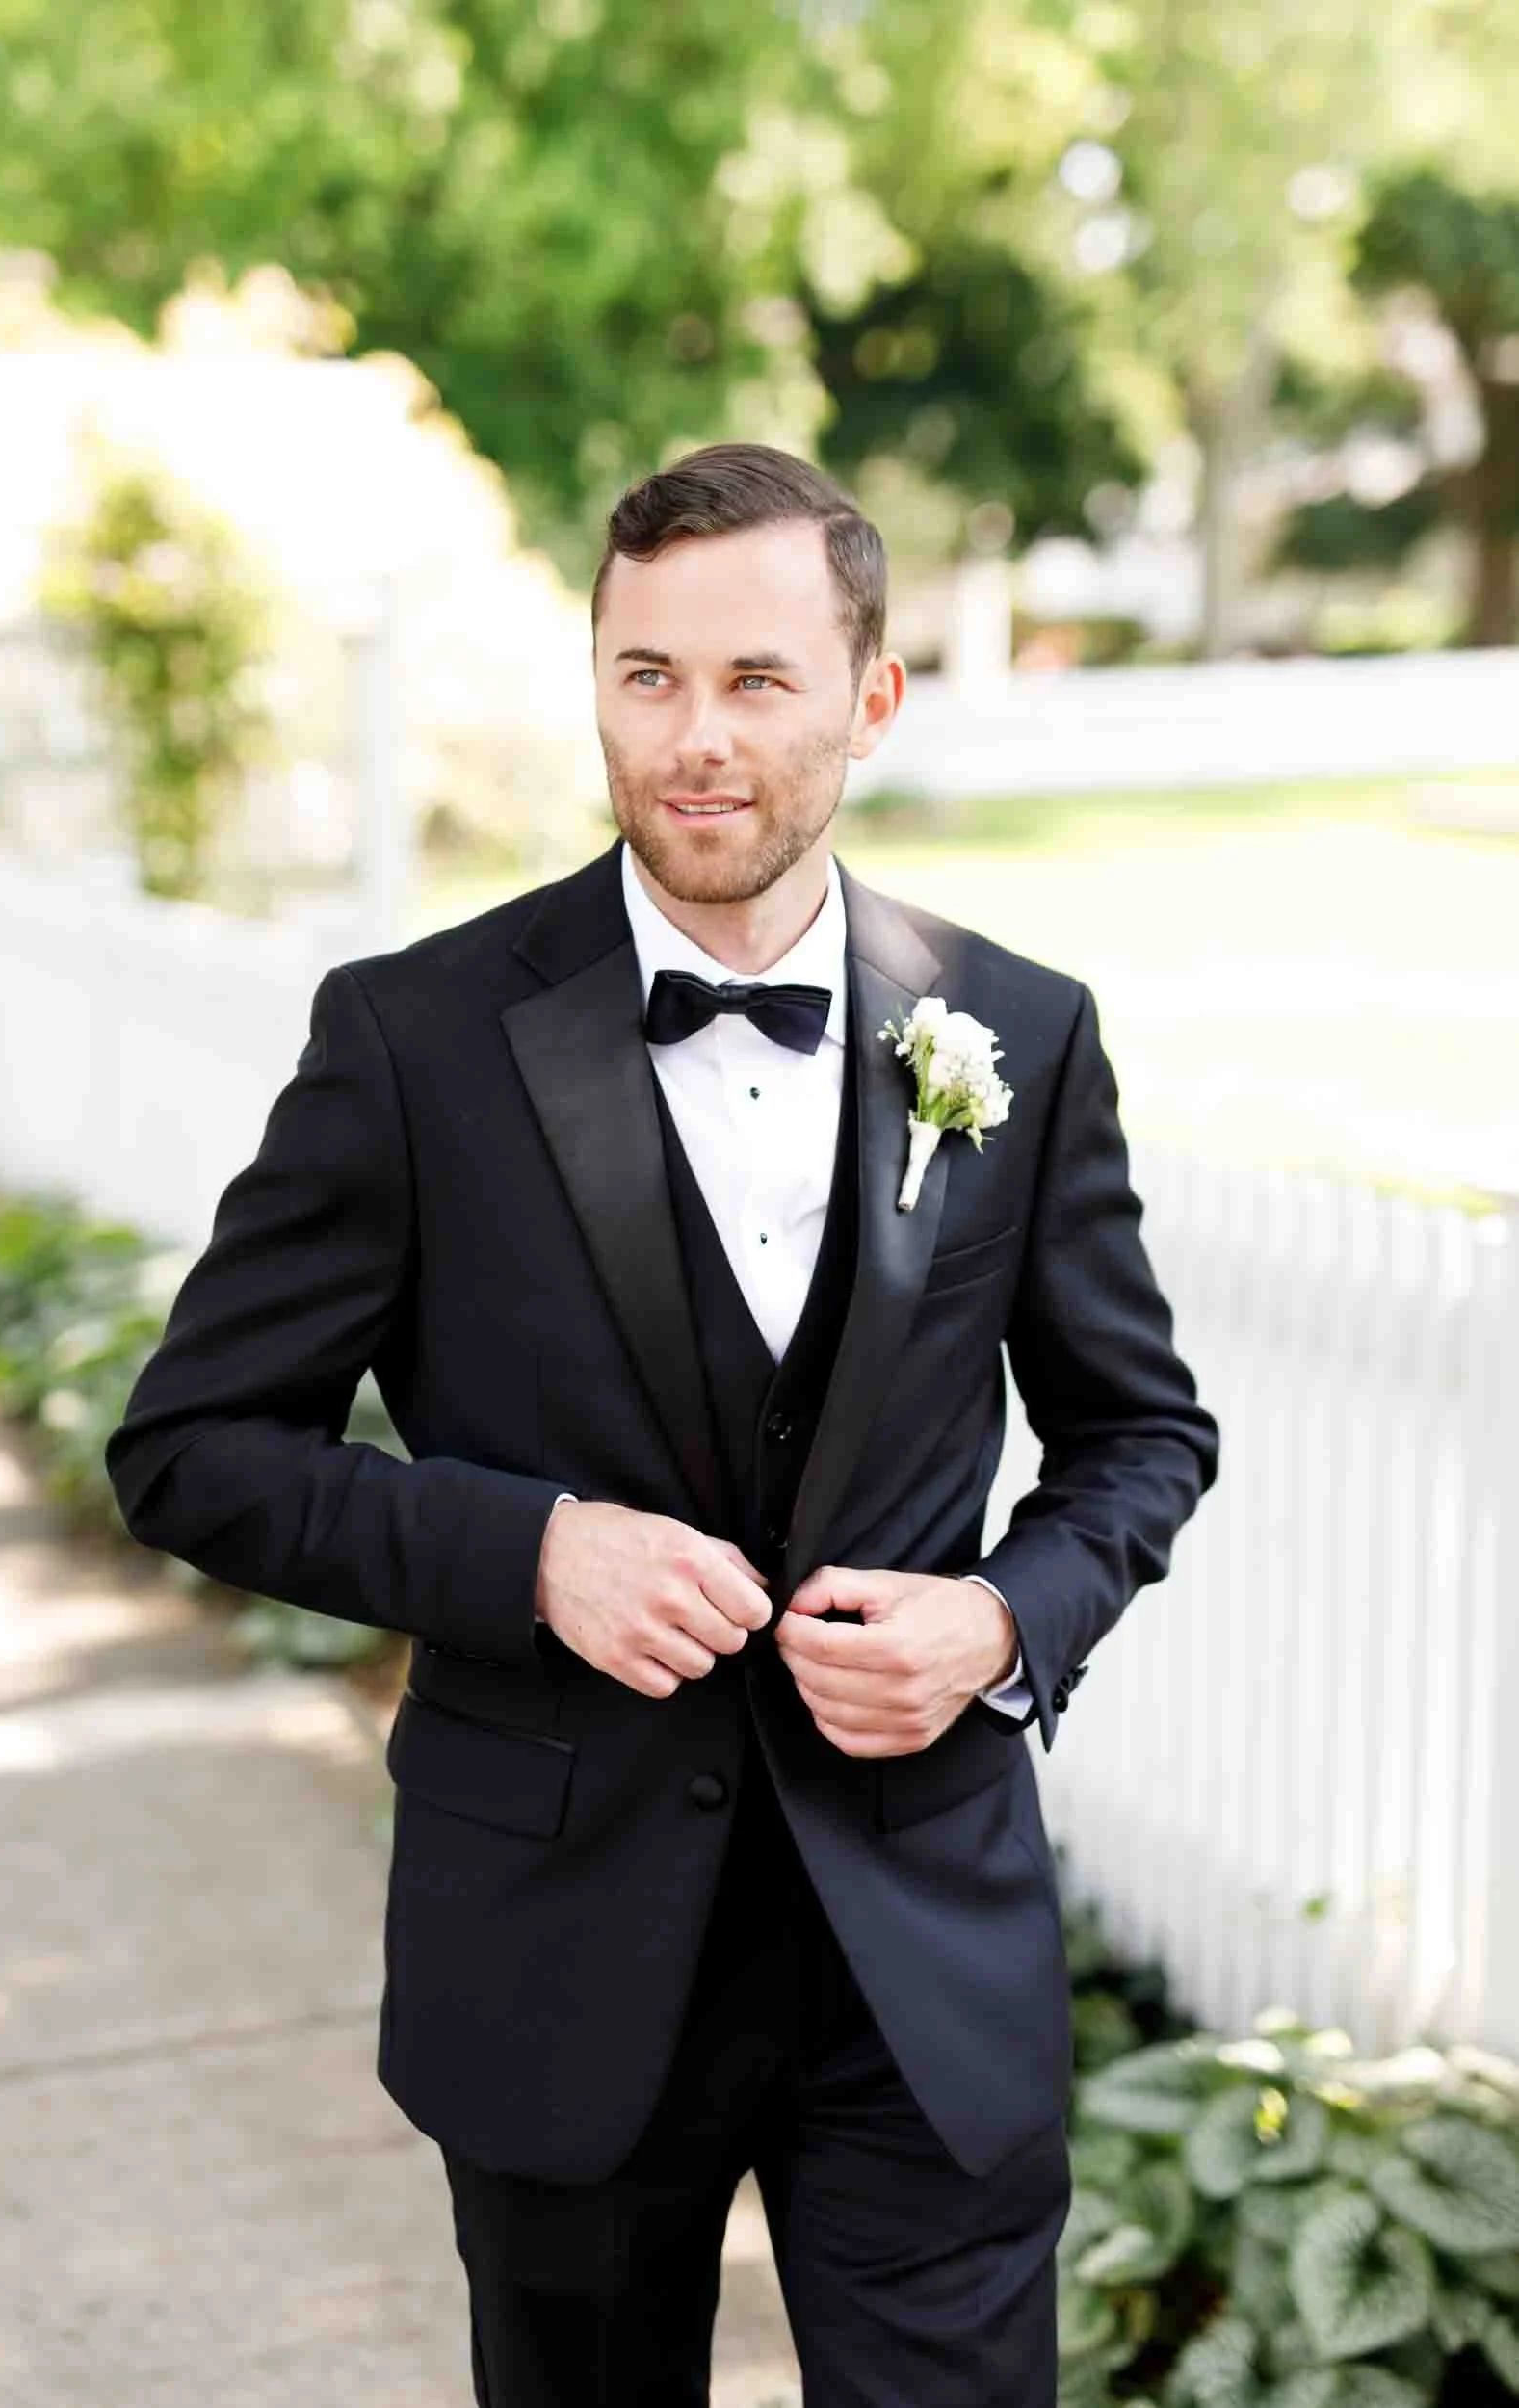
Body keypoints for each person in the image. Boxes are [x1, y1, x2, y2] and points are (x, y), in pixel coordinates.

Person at [105, 441, 1218, 2405]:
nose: (693, 739)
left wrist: (1002, 1620)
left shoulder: (1014, 1033)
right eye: (644, 675)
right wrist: (522, 1549)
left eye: (754, 678)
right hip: (556, 1933)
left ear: (869, 697)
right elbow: (190, 1443)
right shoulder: (414, 1039)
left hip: (916, 1947)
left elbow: (1139, 1432)